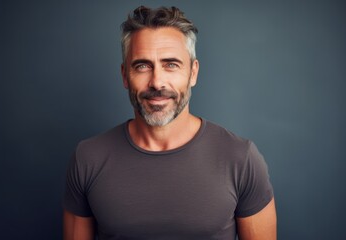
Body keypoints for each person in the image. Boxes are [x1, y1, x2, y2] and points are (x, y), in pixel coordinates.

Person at [63, 6, 276, 240]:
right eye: (142, 66)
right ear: (125, 76)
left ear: (193, 73)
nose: (157, 82)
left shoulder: (240, 158)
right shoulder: (88, 158)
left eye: (171, 64)